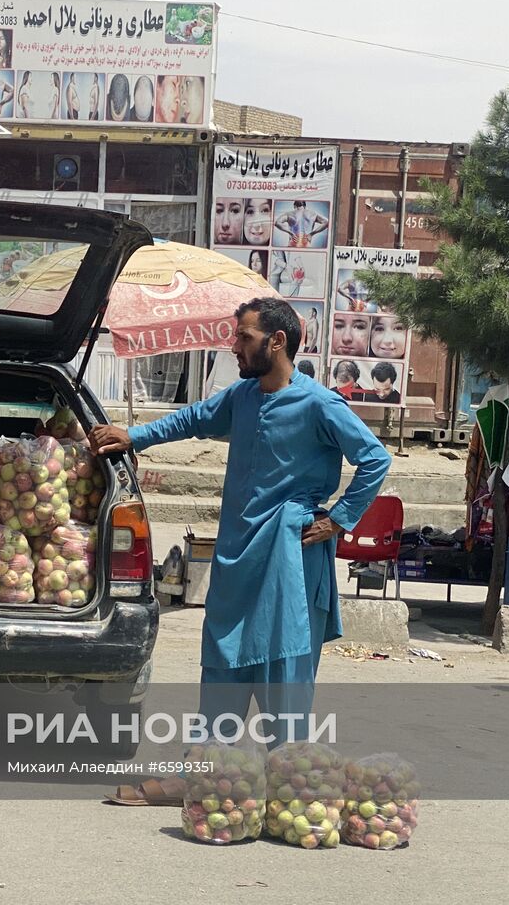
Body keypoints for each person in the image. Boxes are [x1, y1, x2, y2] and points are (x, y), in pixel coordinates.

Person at [93, 297, 389, 803]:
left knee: (284, 674)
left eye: (243, 338)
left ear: (277, 342)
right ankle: (202, 775)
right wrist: (132, 436)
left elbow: (374, 458)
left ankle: (293, 783)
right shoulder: (243, 396)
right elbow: (190, 420)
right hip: (238, 553)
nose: (234, 347)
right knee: (224, 661)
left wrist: (338, 519)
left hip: (290, 558)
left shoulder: (320, 404)